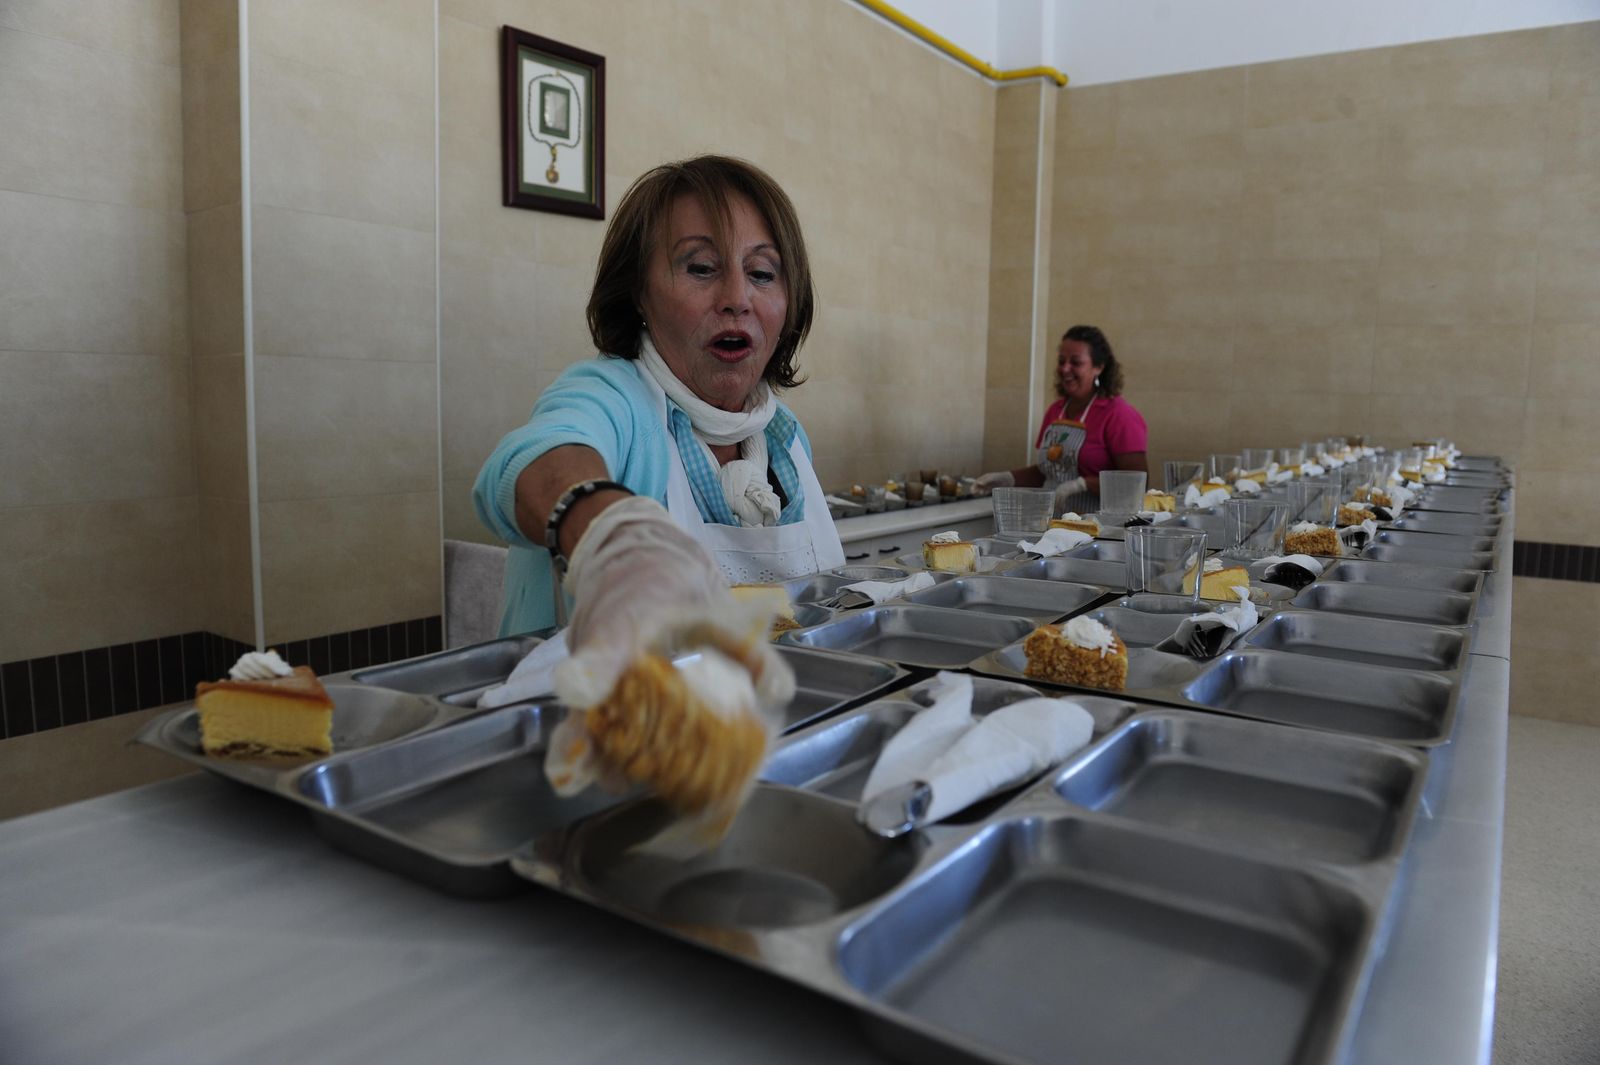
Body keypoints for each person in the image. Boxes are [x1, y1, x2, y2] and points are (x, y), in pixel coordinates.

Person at [473, 155, 844, 681]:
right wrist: (611, 533)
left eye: (762, 274)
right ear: (638, 293)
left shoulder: (783, 439)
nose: (737, 299)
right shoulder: (614, 397)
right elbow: (530, 465)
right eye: (700, 268)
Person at [975, 325, 1148, 514]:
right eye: (1061, 361)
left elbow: (1137, 485)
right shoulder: (1056, 410)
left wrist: (1083, 485)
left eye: (1076, 362)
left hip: (1097, 528)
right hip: (1052, 522)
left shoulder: (1118, 414)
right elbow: (1048, 472)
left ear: (1098, 367)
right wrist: (1008, 478)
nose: (1065, 368)